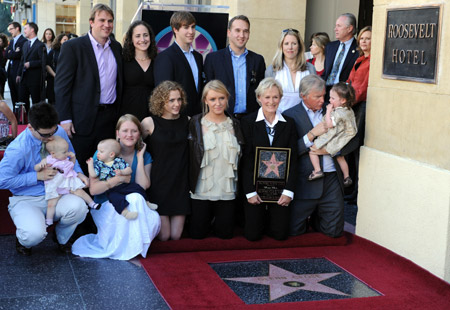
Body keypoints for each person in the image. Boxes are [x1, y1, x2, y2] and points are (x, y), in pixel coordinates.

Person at [0, 103, 88, 256]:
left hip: (58, 192)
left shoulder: (58, 131)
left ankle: (62, 238)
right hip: (27, 198)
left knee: (80, 207)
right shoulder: (18, 148)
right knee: (33, 235)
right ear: (30, 127)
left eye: (53, 132)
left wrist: (79, 173)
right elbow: (2, 180)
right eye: (45, 135)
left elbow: (70, 155)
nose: (50, 138)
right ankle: (23, 240)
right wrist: (36, 176)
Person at [71, 114, 161, 260]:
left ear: (139, 134)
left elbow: (143, 185)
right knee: (135, 198)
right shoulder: (102, 154)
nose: (129, 135)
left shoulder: (145, 156)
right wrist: (118, 179)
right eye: (125, 131)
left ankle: (134, 247)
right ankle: (132, 248)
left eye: (134, 131)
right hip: (107, 205)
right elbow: (94, 190)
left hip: (134, 205)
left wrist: (139, 159)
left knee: (136, 198)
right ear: (117, 133)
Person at [55, 3, 123, 174]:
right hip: (81, 120)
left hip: (109, 118)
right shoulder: (73, 47)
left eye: (110, 21)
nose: (106, 25)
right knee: (81, 167)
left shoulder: (116, 47)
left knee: (105, 168)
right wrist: (65, 118)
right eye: (102, 20)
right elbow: (62, 85)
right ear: (91, 22)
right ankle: (83, 201)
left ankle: (100, 200)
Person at [284, 74, 350, 238]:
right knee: (293, 231)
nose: (323, 100)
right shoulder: (289, 116)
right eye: (317, 96)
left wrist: (330, 150)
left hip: (331, 179)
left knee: (334, 232)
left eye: (324, 95)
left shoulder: (335, 112)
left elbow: (348, 137)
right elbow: (289, 152)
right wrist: (311, 135)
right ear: (303, 96)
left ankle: (317, 218)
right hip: (305, 181)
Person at [240, 77, 298, 241]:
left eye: (275, 97)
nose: (271, 101)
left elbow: (293, 160)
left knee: (280, 234)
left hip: (279, 190)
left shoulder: (289, 123)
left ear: (280, 98)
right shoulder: (247, 122)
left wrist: (288, 192)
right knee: (252, 235)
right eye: (267, 97)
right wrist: (250, 192)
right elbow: (246, 160)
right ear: (259, 98)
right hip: (255, 187)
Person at [188, 80, 244, 239]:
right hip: (201, 188)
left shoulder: (236, 124)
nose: (217, 103)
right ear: (205, 100)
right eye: (212, 99)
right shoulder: (195, 123)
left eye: (221, 98)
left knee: (225, 235)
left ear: (227, 99)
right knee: (197, 235)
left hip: (227, 189)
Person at [141, 81, 190, 241]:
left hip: (181, 182)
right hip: (159, 182)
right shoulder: (149, 122)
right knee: (164, 236)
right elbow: (133, 146)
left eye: (179, 99)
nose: (177, 104)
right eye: (171, 100)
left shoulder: (188, 121)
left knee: (175, 236)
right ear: (161, 101)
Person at [203, 15, 266, 119]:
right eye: (237, 30)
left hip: (250, 120)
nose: (241, 35)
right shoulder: (213, 59)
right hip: (222, 119)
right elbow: (207, 92)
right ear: (229, 33)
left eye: (245, 31)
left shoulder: (257, 60)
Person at [34, 136, 100, 227]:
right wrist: (40, 165)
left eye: (67, 150)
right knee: (51, 203)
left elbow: (71, 165)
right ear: (53, 153)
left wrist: (73, 158)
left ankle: (92, 204)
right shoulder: (49, 159)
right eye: (64, 152)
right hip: (56, 186)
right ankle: (48, 220)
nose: (67, 153)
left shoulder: (65, 159)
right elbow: (36, 168)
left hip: (68, 183)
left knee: (80, 192)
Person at [87, 138, 156, 220]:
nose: (98, 154)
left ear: (111, 154)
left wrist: (122, 172)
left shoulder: (118, 161)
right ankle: (125, 212)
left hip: (123, 185)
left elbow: (129, 169)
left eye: (101, 152)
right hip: (112, 189)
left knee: (137, 188)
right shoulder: (99, 164)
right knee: (115, 198)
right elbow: (93, 174)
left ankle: (146, 202)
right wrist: (90, 165)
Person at [153, 11, 203, 116]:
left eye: (193, 27)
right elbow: (163, 93)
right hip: (176, 117)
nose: (191, 31)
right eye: (186, 27)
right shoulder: (165, 57)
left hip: (196, 117)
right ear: (175, 29)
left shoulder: (198, 57)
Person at [308, 82, 357, 187]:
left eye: (332, 98)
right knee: (340, 157)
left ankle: (317, 170)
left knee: (313, 151)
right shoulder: (348, 110)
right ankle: (346, 176)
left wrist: (329, 110)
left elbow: (330, 124)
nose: (329, 100)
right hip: (343, 137)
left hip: (336, 137)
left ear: (343, 100)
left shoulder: (338, 113)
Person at [345, 26, 372, 203]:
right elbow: (349, 82)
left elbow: (361, 90)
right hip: (351, 105)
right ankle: (354, 190)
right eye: (362, 38)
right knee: (352, 152)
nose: (364, 41)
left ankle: (358, 193)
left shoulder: (372, 61)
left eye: (368, 38)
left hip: (360, 107)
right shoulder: (360, 59)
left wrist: (346, 102)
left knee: (356, 150)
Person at [265, 28, 316, 112]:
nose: (290, 47)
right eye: (286, 43)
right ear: (281, 46)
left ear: (299, 46)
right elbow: (266, 98)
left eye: (294, 43)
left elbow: (315, 95)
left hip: (305, 118)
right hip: (280, 117)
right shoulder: (272, 70)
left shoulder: (310, 68)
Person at [121, 20, 157, 121]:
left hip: (153, 115)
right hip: (128, 115)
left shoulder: (158, 61)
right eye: (137, 36)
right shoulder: (123, 60)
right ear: (131, 39)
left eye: (145, 35)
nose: (142, 39)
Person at [323, 13, 359, 91]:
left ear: (349, 28)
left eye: (339, 26)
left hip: (345, 93)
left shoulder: (359, 49)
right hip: (327, 91)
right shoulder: (330, 47)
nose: (335, 29)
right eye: (336, 26)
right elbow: (326, 72)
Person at [16, 22, 46, 112]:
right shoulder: (25, 44)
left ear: (32, 30)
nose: (24, 31)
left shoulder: (40, 45)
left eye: (25, 29)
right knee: (22, 101)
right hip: (24, 78)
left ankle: (36, 121)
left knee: (36, 102)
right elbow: (22, 60)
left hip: (35, 79)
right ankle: (25, 121)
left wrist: (31, 64)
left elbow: (43, 62)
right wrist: (18, 74)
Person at [5, 22, 27, 106]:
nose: (10, 31)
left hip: (18, 71)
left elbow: (19, 55)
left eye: (11, 29)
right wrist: (14, 52)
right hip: (10, 72)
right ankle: (14, 116)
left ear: (17, 28)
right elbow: (7, 55)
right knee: (13, 96)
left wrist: (12, 53)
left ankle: (21, 117)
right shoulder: (11, 41)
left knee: (20, 97)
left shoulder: (24, 41)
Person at [46, 33, 69, 105]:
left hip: (65, 79)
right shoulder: (53, 51)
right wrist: (54, 75)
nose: (66, 41)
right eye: (64, 40)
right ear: (59, 41)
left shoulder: (70, 51)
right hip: (53, 79)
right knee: (52, 102)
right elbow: (47, 65)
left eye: (67, 40)